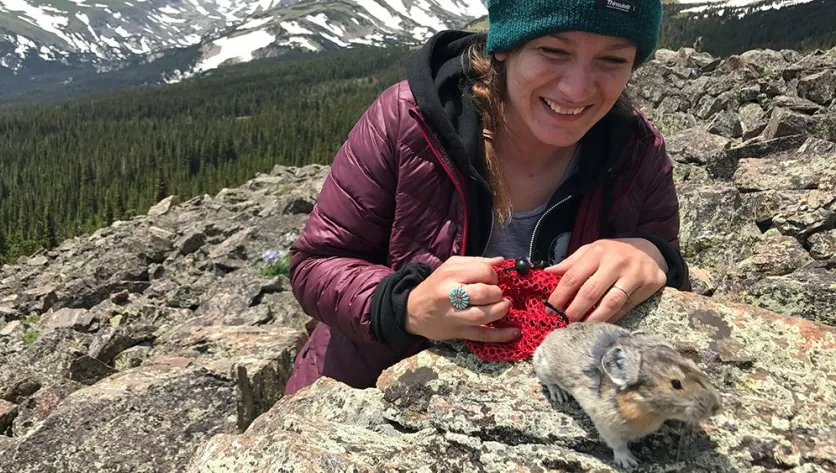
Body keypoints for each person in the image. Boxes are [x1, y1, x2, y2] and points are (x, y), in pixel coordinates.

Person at [284, 0, 690, 396]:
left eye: (612, 60)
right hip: (361, 402)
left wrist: (652, 256)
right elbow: (315, 264)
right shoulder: (407, 121)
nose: (577, 88)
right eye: (552, 51)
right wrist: (406, 306)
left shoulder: (635, 151)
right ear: (505, 46)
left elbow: (664, 278)